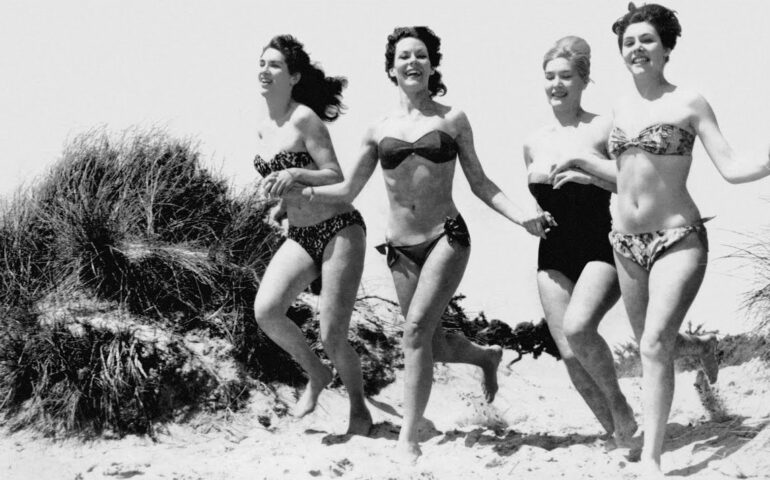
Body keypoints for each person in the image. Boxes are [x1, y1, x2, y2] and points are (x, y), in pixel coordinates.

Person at [284, 26, 547, 460]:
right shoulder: (376, 129)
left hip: (447, 236)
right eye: (404, 56)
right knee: (433, 344)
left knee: (416, 333)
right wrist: (300, 188)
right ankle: (484, 357)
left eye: (421, 56)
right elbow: (347, 189)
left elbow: (480, 182)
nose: (413, 62)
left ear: (431, 65)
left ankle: (409, 436)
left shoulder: (452, 119)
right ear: (391, 68)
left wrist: (523, 216)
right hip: (400, 248)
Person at [598, 3, 770, 475]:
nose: (637, 48)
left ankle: (652, 458)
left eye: (647, 40)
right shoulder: (619, 106)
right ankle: (699, 354)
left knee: (653, 344)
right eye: (629, 42)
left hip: (679, 237)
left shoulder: (689, 102)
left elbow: (733, 167)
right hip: (625, 243)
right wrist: (572, 164)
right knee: (651, 346)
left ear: (667, 47)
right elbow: (621, 172)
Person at [251, 34, 372, 436]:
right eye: (262, 64)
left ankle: (359, 409)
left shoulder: (305, 119)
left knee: (333, 334)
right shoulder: (263, 127)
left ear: (294, 76)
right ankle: (316, 373)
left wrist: (295, 173)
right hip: (301, 235)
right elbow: (284, 185)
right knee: (267, 311)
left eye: (275, 66)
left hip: (339, 228)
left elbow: (336, 176)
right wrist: (281, 204)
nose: (264, 71)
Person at [524, 36, 639, 446]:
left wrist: (591, 177)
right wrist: (531, 217)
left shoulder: (604, 127)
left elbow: (634, 183)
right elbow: (538, 196)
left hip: (598, 245)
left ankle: (621, 408)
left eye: (566, 76)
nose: (557, 84)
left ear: (584, 79)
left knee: (579, 328)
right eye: (550, 76)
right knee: (571, 356)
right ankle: (616, 433)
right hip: (552, 253)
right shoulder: (533, 141)